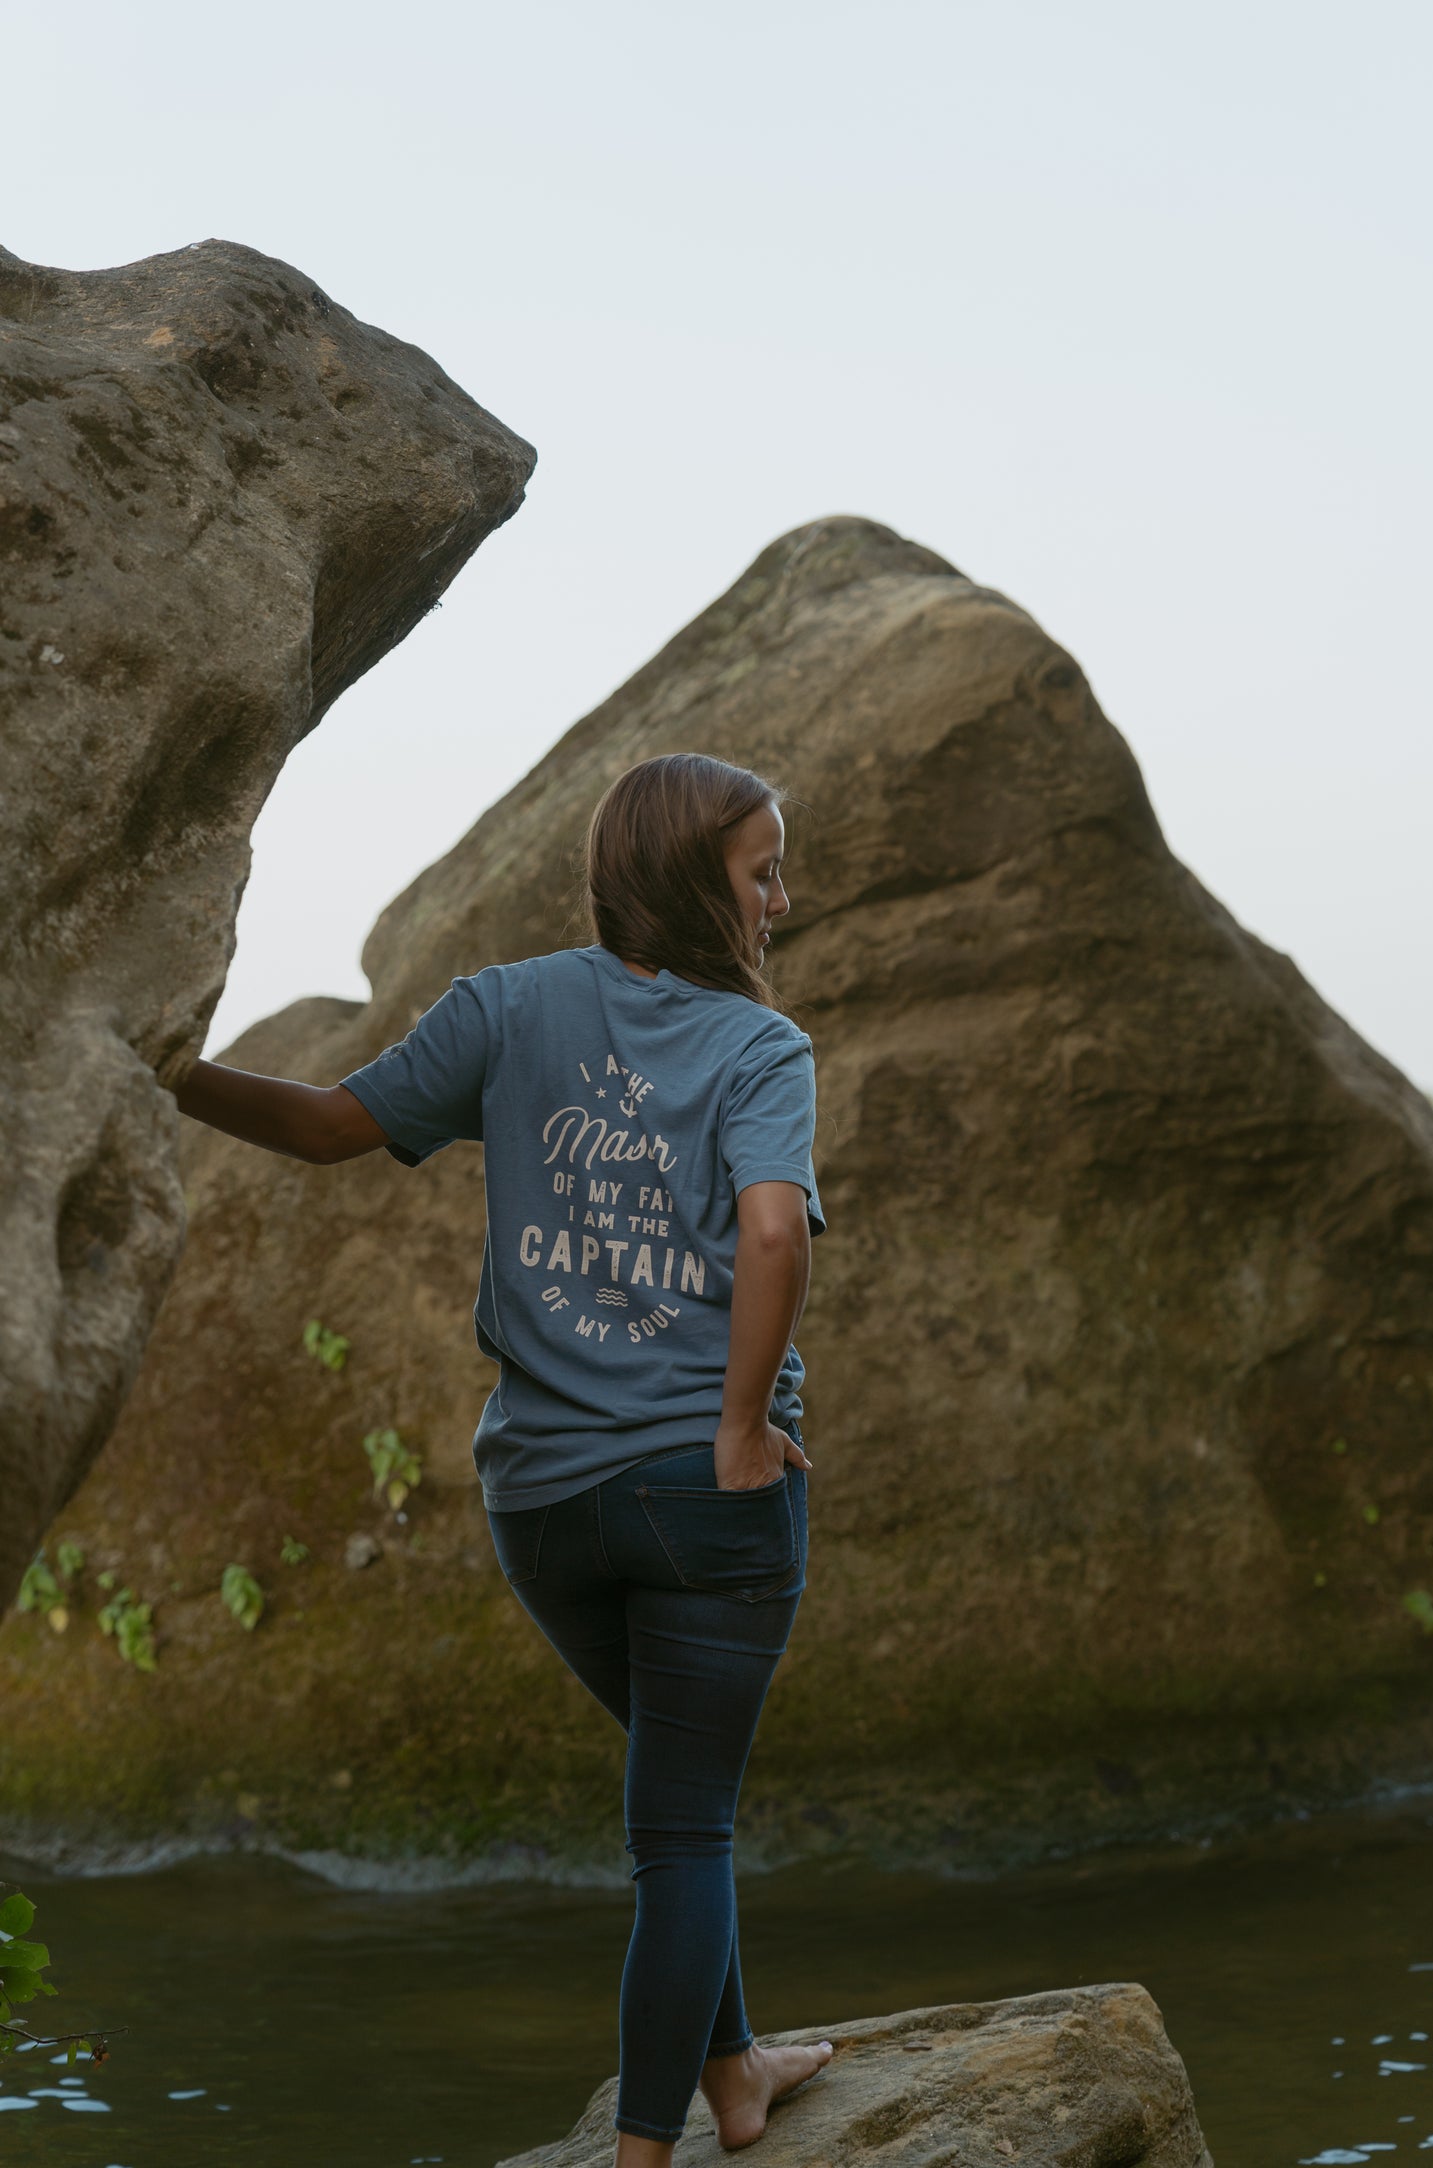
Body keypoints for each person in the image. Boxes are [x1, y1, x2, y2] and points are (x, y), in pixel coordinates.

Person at [172, 751, 833, 2162]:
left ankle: (735, 2072)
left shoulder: (505, 1006)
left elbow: (326, 1127)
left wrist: (162, 1067)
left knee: (676, 1810)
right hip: (706, 1506)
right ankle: (653, 2150)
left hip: (542, 1500)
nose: (785, 897)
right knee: (684, 1834)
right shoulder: (762, 1050)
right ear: (689, 882)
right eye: (763, 870)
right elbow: (773, 1234)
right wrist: (731, 1432)